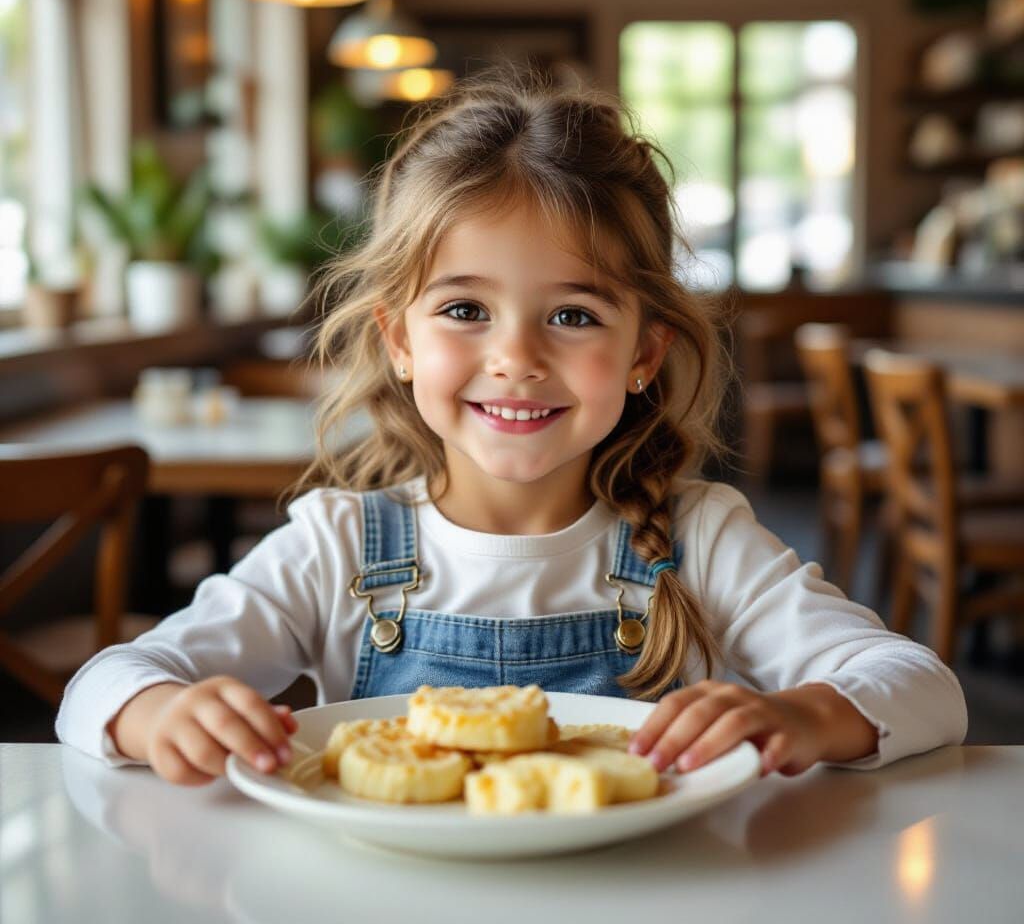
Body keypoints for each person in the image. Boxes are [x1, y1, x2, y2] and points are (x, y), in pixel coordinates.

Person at [57, 69, 967, 787]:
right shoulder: (336, 547)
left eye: (572, 316)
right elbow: (103, 683)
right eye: (464, 310)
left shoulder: (700, 537)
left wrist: (807, 715)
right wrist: (159, 713)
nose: (516, 358)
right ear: (399, 339)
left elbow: (926, 688)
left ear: (645, 353)